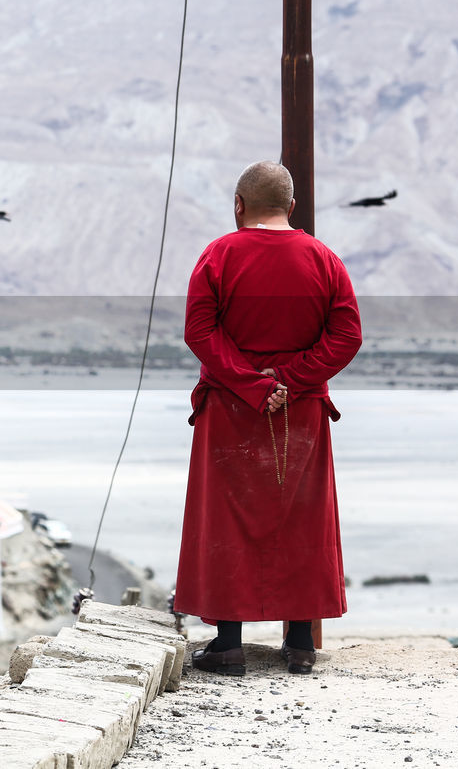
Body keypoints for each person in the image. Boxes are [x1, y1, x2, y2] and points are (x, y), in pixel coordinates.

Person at [175, 161, 362, 677]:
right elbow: (346, 336)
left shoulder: (219, 255)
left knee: (227, 516)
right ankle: (300, 644)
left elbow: (199, 331)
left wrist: (254, 384)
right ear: (291, 207)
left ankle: (228, 645)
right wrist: (291, 379)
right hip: (300, 411)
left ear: (239, 205)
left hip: (232, 408)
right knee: (301, 514)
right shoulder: (325, 259)